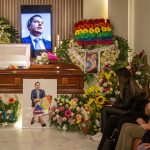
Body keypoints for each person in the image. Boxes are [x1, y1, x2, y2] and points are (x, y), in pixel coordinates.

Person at [97, 67, 143, 150]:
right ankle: (105, 132)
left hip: (128, 111)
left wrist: (115, 105)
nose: (118, 79)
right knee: (108, 111)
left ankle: (104, 131)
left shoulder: (128, 87)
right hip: (128, 110)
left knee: (104, 109)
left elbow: (126, 104)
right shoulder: (127, 84)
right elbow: (120, 100)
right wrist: (115, 104)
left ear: (122, 77)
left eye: (118, 77)